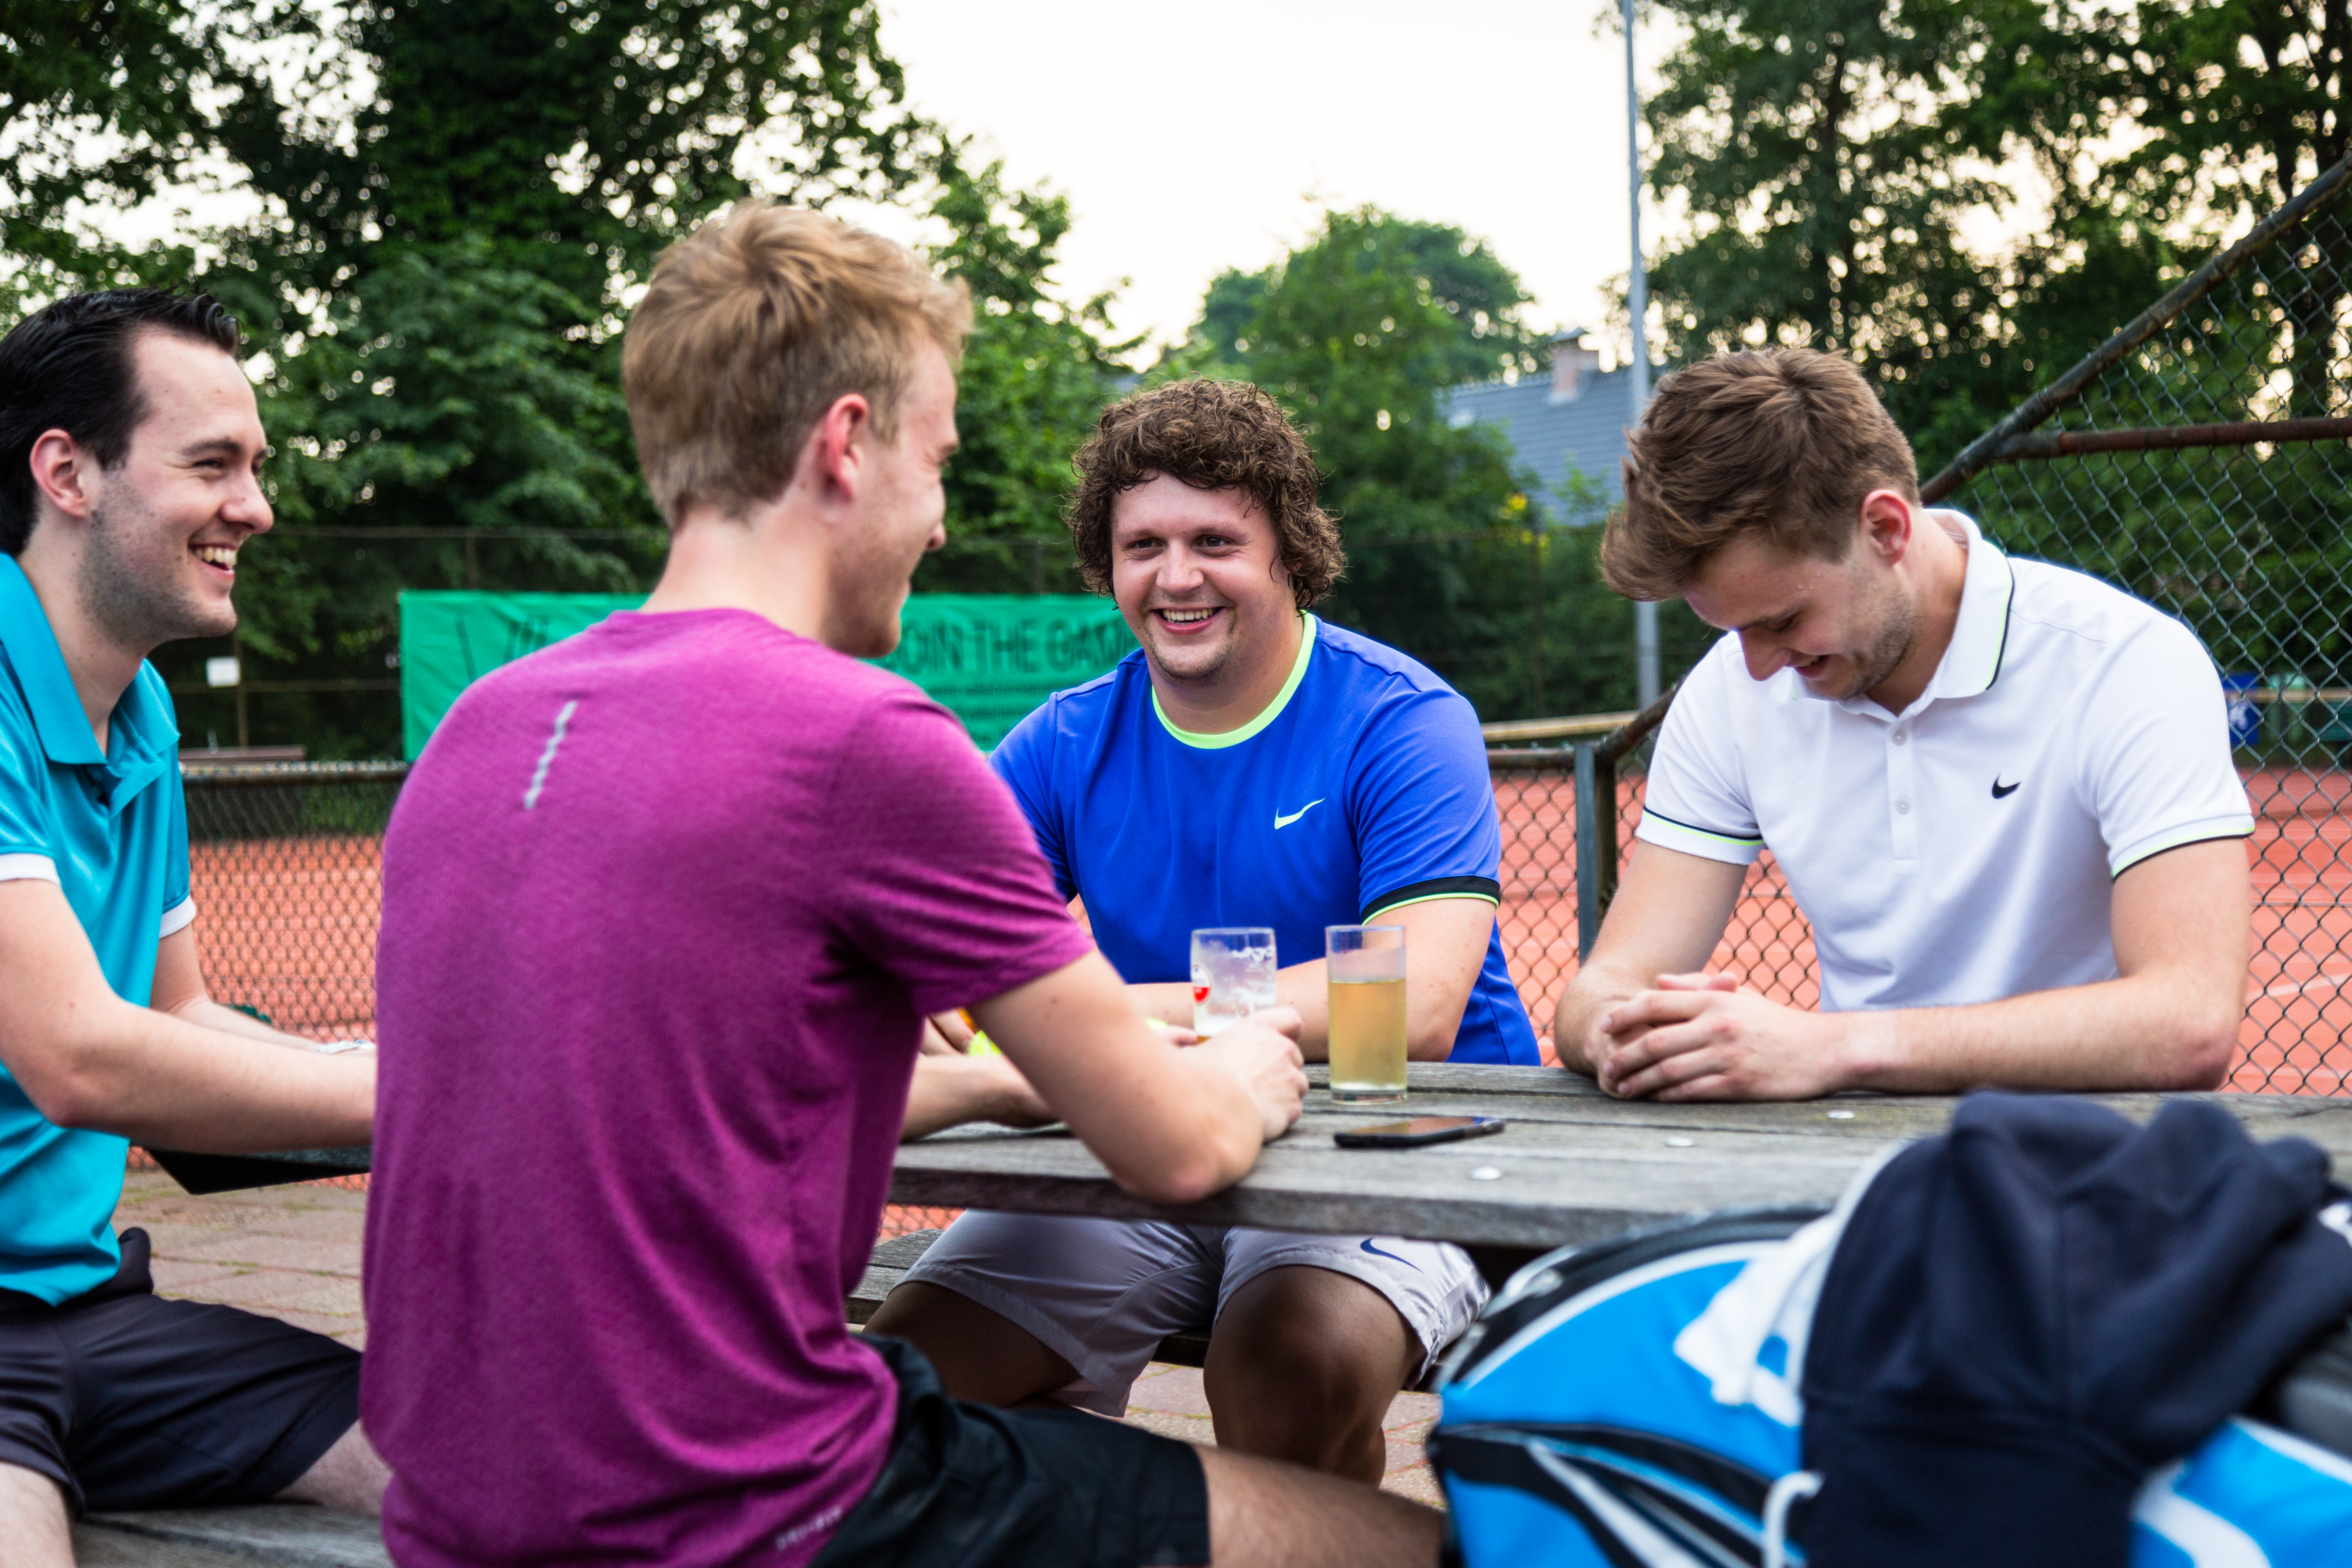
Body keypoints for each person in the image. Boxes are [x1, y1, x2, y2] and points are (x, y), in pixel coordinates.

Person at [359, 201, 1444, 1568]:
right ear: (847, 443)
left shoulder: (486, 724)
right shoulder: (864, 739)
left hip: (455, 1515)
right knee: (1403, 1545)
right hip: (753, 1508)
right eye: (935, 463)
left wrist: (1000, 1078)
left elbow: (724, 1086)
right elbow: (1180, 1148)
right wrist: (1245, 1068)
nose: (936, 523)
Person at [869, 377, 1538, 1482]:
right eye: (1144, 545)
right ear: (1108, 561)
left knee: (1284, 1368)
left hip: (1381, 1145)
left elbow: (1410, 1004)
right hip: (1157, 1143)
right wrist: (1053, 1018)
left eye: (1215, 540)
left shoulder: (1403, 718)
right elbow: (934, 974)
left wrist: (1096, 1015)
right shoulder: (1061, 741)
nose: (1177, 578)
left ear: (1289, 549)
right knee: (907, 1388)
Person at [1552, 347, 2255, 1102]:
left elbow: (2189, 1022)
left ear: (1886, 529)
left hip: (2095, 1164)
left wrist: (1835, 1047)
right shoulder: (1729, 692)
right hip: (1855, 1159)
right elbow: (1608, 981)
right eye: (1731, 633)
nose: (1756, 667)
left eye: (1783, 620)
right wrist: (1617, 1031)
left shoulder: (2125, 663)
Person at [0, 290, 385, 1561]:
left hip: (88, 1315)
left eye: (257, 467)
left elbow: (176, 1016)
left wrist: (400, 1068)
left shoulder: (142, 711)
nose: (257, 508)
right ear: (67, 471)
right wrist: (438, 1097)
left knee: (506, 1458)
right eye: (212, 464)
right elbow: (80, 1055)